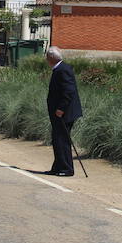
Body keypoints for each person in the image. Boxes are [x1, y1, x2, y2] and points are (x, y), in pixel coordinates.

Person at [43, 46, 83, 176]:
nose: (46, 59)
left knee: (62, 140)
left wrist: (61, 108)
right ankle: (58, 167)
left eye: (47, 57)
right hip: (59, 113)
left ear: (51, 58)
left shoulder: (62, 70)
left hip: (65, 113)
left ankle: (67, 169)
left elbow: (68, 91)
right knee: (57, 139)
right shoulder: (59, 69)